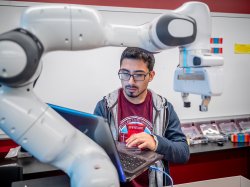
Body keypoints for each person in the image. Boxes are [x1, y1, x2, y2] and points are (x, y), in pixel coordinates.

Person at [94, 47, 189, 187]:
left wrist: (156, 143)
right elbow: (93, 150)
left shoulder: (164, 108)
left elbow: (183, 153)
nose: (130, 82)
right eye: (125, 73)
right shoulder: (105, 106)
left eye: (138, 75)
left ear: (151, 75)